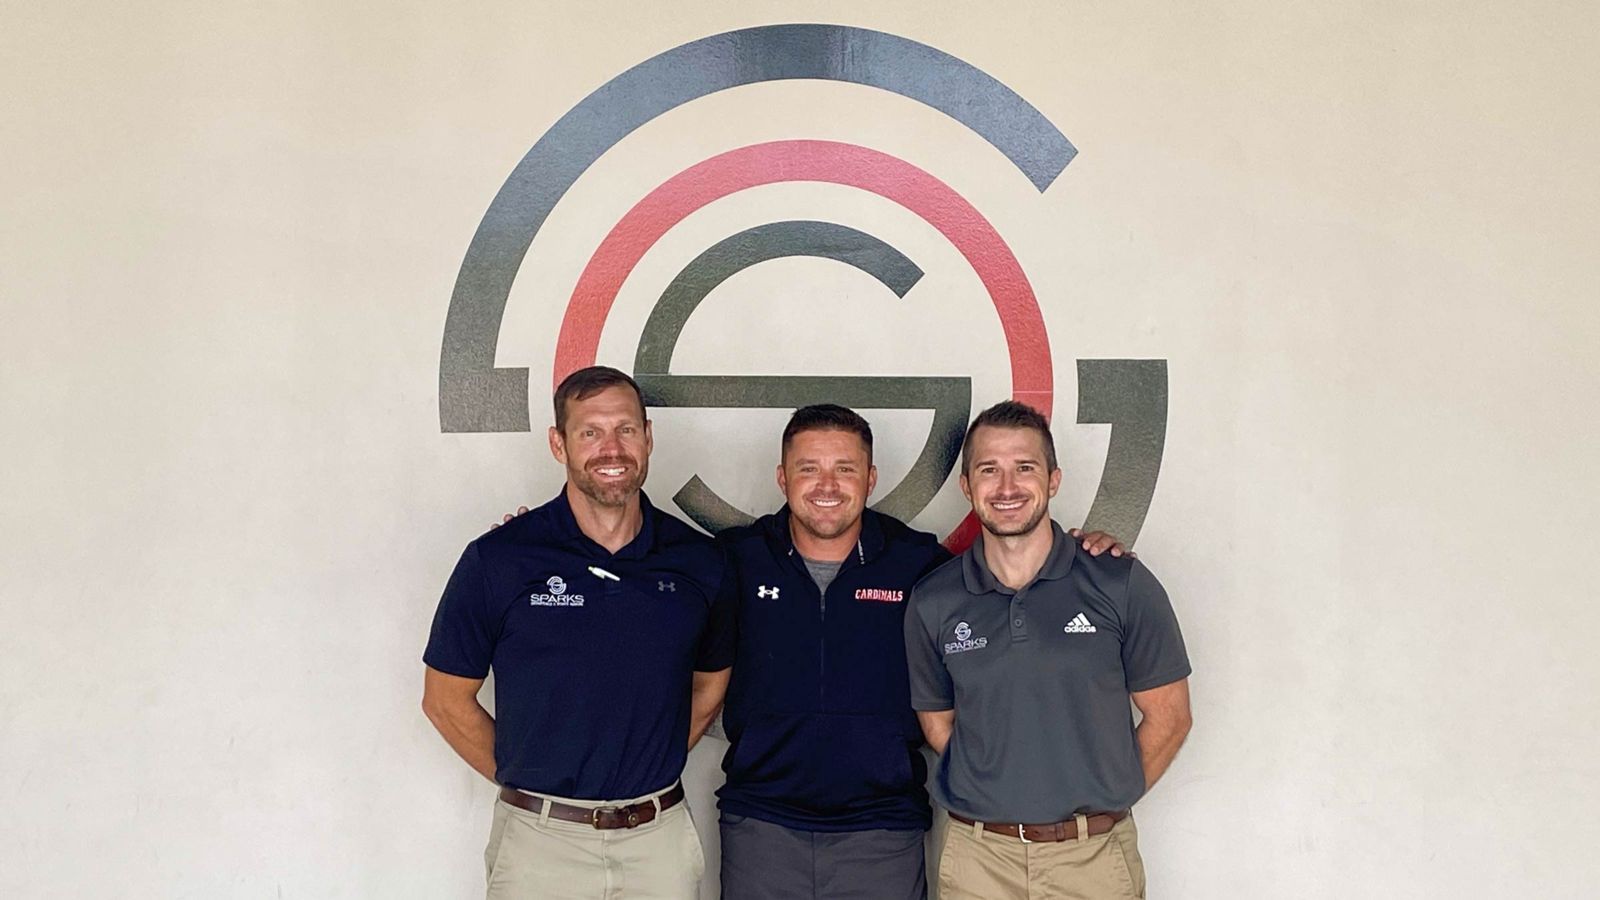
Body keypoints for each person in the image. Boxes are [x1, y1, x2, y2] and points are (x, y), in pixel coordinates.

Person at [421, 366, 734, 900]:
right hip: (540, 845)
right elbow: (445, 700)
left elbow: (709, 686)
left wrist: (640, 760)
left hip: (657, 843)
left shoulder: (700, 561)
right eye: (590, 432)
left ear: (648, 437)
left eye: (626, 430)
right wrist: (532, 776)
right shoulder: (500, 559)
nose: (611, 449)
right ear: (558, 443)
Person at [904, 401, 1192, 900]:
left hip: (1094, 860)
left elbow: (1170, 718)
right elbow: (939, 722)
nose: (1008, 487)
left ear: (1054, 480)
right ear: (967, 486)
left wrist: (1103, 798)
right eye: (989, 470)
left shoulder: (1119, 582)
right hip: (978, 861)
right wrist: (999, 786)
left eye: (1025, 468)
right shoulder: (934, 600)